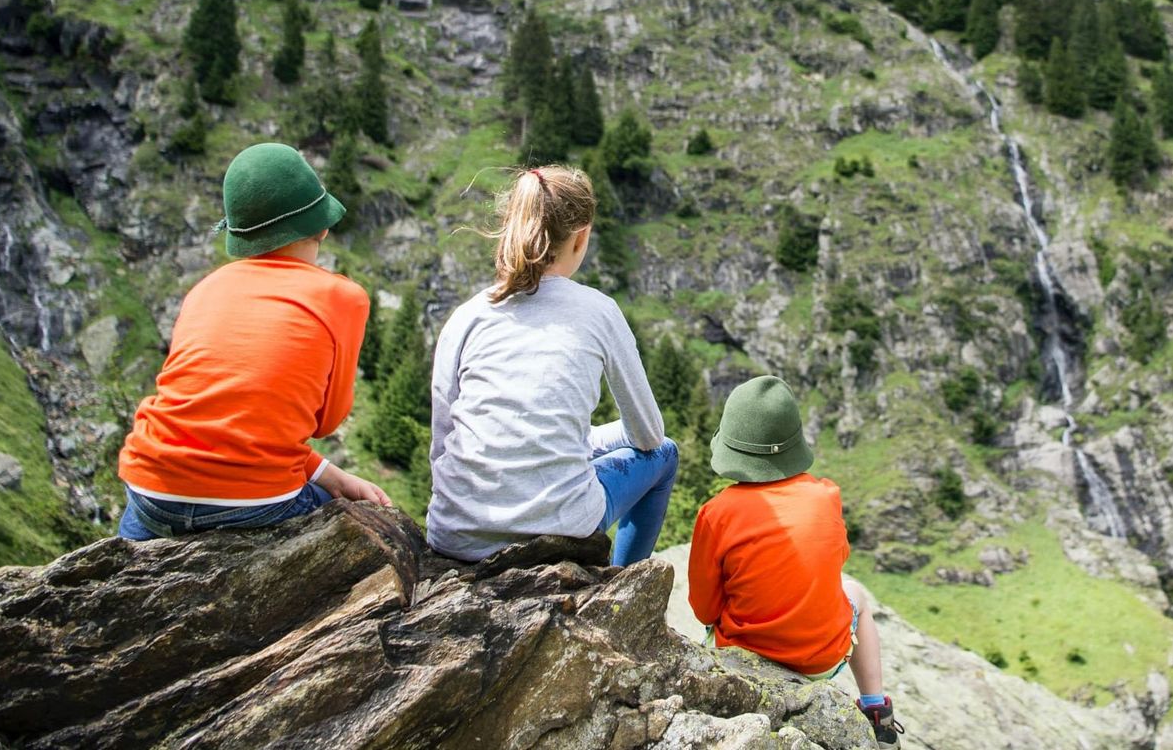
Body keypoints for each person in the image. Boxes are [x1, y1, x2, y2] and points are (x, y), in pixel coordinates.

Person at [117, 143, 390, 541]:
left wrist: (324, 472)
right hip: (255, 503)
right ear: (323, 225)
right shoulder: (343, 297)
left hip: (150, 488)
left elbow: (211, 418)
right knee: (365, 527)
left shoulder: (205, 288)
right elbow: (325, 421)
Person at [426, 164, 675, 567]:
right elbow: (648, 436)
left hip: (455, 534)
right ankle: (622, 585)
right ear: (582, 236)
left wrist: (587, 439)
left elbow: (442, 442)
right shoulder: (599, 311)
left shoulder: (467, 316)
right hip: (559, 525)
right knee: (666, 454)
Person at [687, 376, 905, 745]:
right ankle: (876, 710)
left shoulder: (715, 513)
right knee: (856, 595)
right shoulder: (825, 496)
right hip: (820, 662)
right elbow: (835, 561)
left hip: (744, 656)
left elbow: (704, 608)